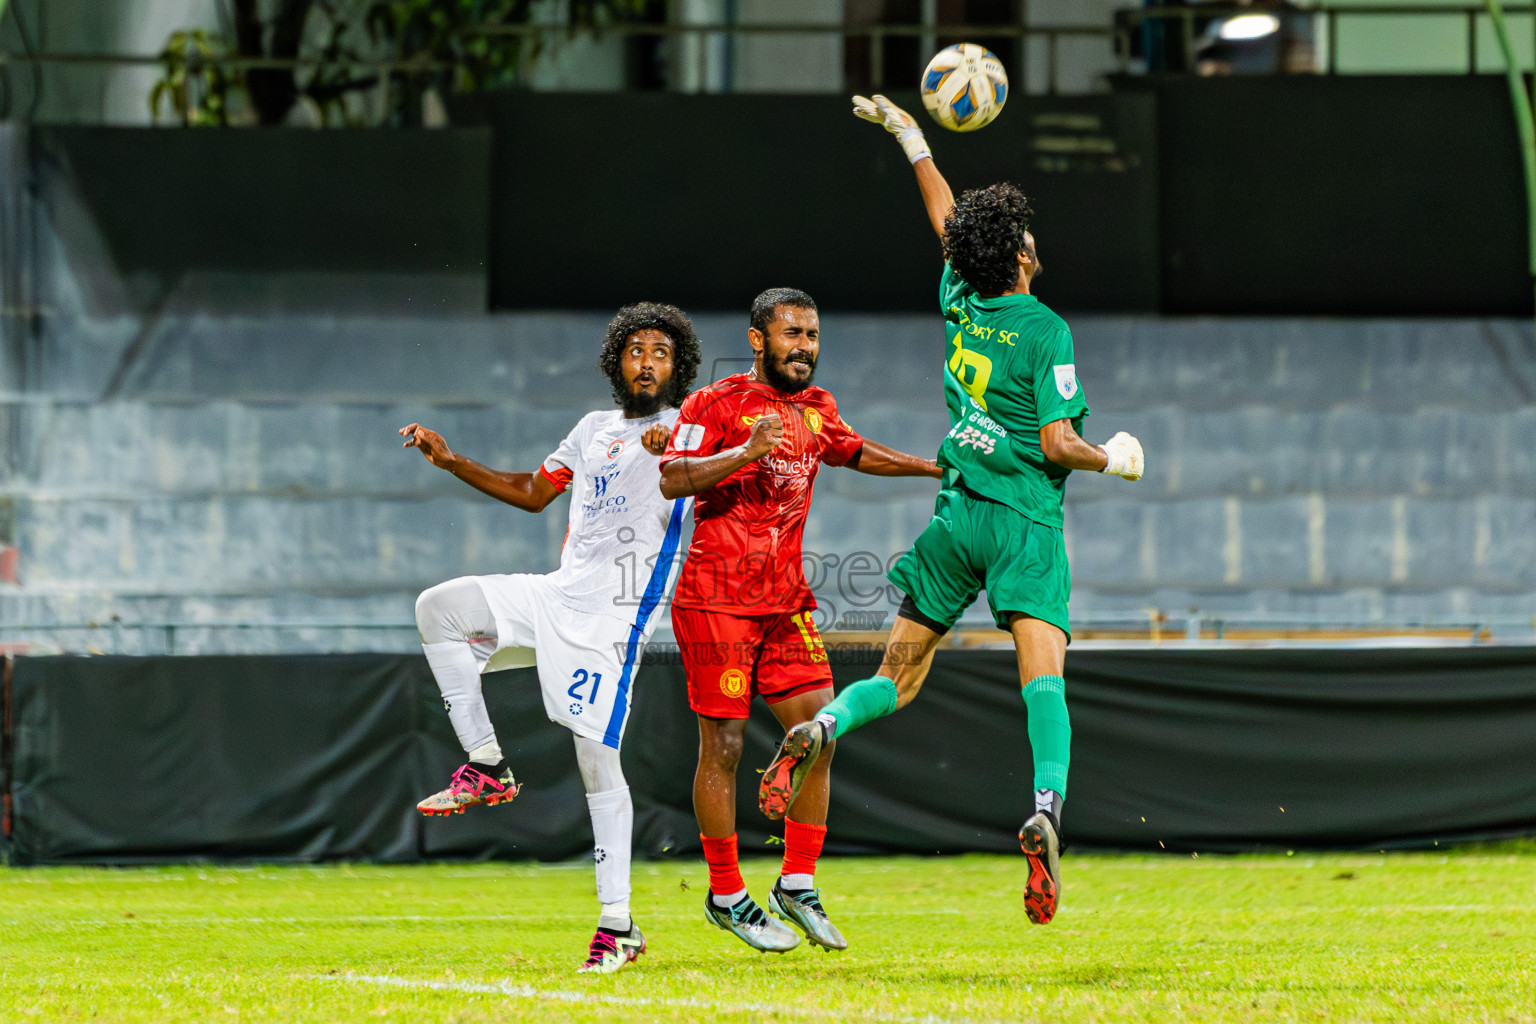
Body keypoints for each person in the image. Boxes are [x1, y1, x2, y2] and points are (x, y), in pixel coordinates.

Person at [757, 96, 1146, 928]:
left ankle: (825, 726)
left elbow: (946, 224)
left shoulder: (960, 293)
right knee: (1044, 675)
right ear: (1020, 256)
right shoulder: (1045, 329)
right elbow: (1054, 442)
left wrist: (912, 139)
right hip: (1022, 522)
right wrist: (1113, 454)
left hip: (954, 516)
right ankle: (1045, 806)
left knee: (896, 678)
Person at [399, 302, 701, 974]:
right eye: (634, 349)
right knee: (438, 608)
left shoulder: (690, 428)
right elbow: (536, 490)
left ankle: (616, 924)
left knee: (596, 763)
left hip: (613, 619)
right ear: (615, 361)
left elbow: (704, 475)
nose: (647, 361)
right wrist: (452, 462)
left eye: (661, 351)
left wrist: (675, 453)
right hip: (558, 594)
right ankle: (487, 765)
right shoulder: (593, 429)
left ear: (679, 365)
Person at [657, 287, 941, 953]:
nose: (805, 348)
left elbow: (855, 451)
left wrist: (933, 468)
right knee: (723, 749)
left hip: (784, 603)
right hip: (714, 597)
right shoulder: (713, 403)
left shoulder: (818, 409)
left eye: (812, 336)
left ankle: (798, 884)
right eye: (792, 335)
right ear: (759, 340)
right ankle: (726, 894)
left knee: (821, 733)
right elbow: (672, 477)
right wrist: (745, 453)